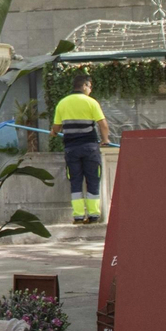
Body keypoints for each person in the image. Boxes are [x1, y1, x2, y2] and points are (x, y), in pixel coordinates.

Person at [50, 73, 111, 224]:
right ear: (84, 86)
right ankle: (94, 215)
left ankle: (78, 216)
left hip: (72, 149)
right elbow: (103, 124)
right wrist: (105, 140)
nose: (90, 89)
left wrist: (54, 132)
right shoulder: (91, 102)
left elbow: (56, 127)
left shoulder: (62, 103)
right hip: (90, 147)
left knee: (75, 181)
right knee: (93, 179)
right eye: (89, 86)